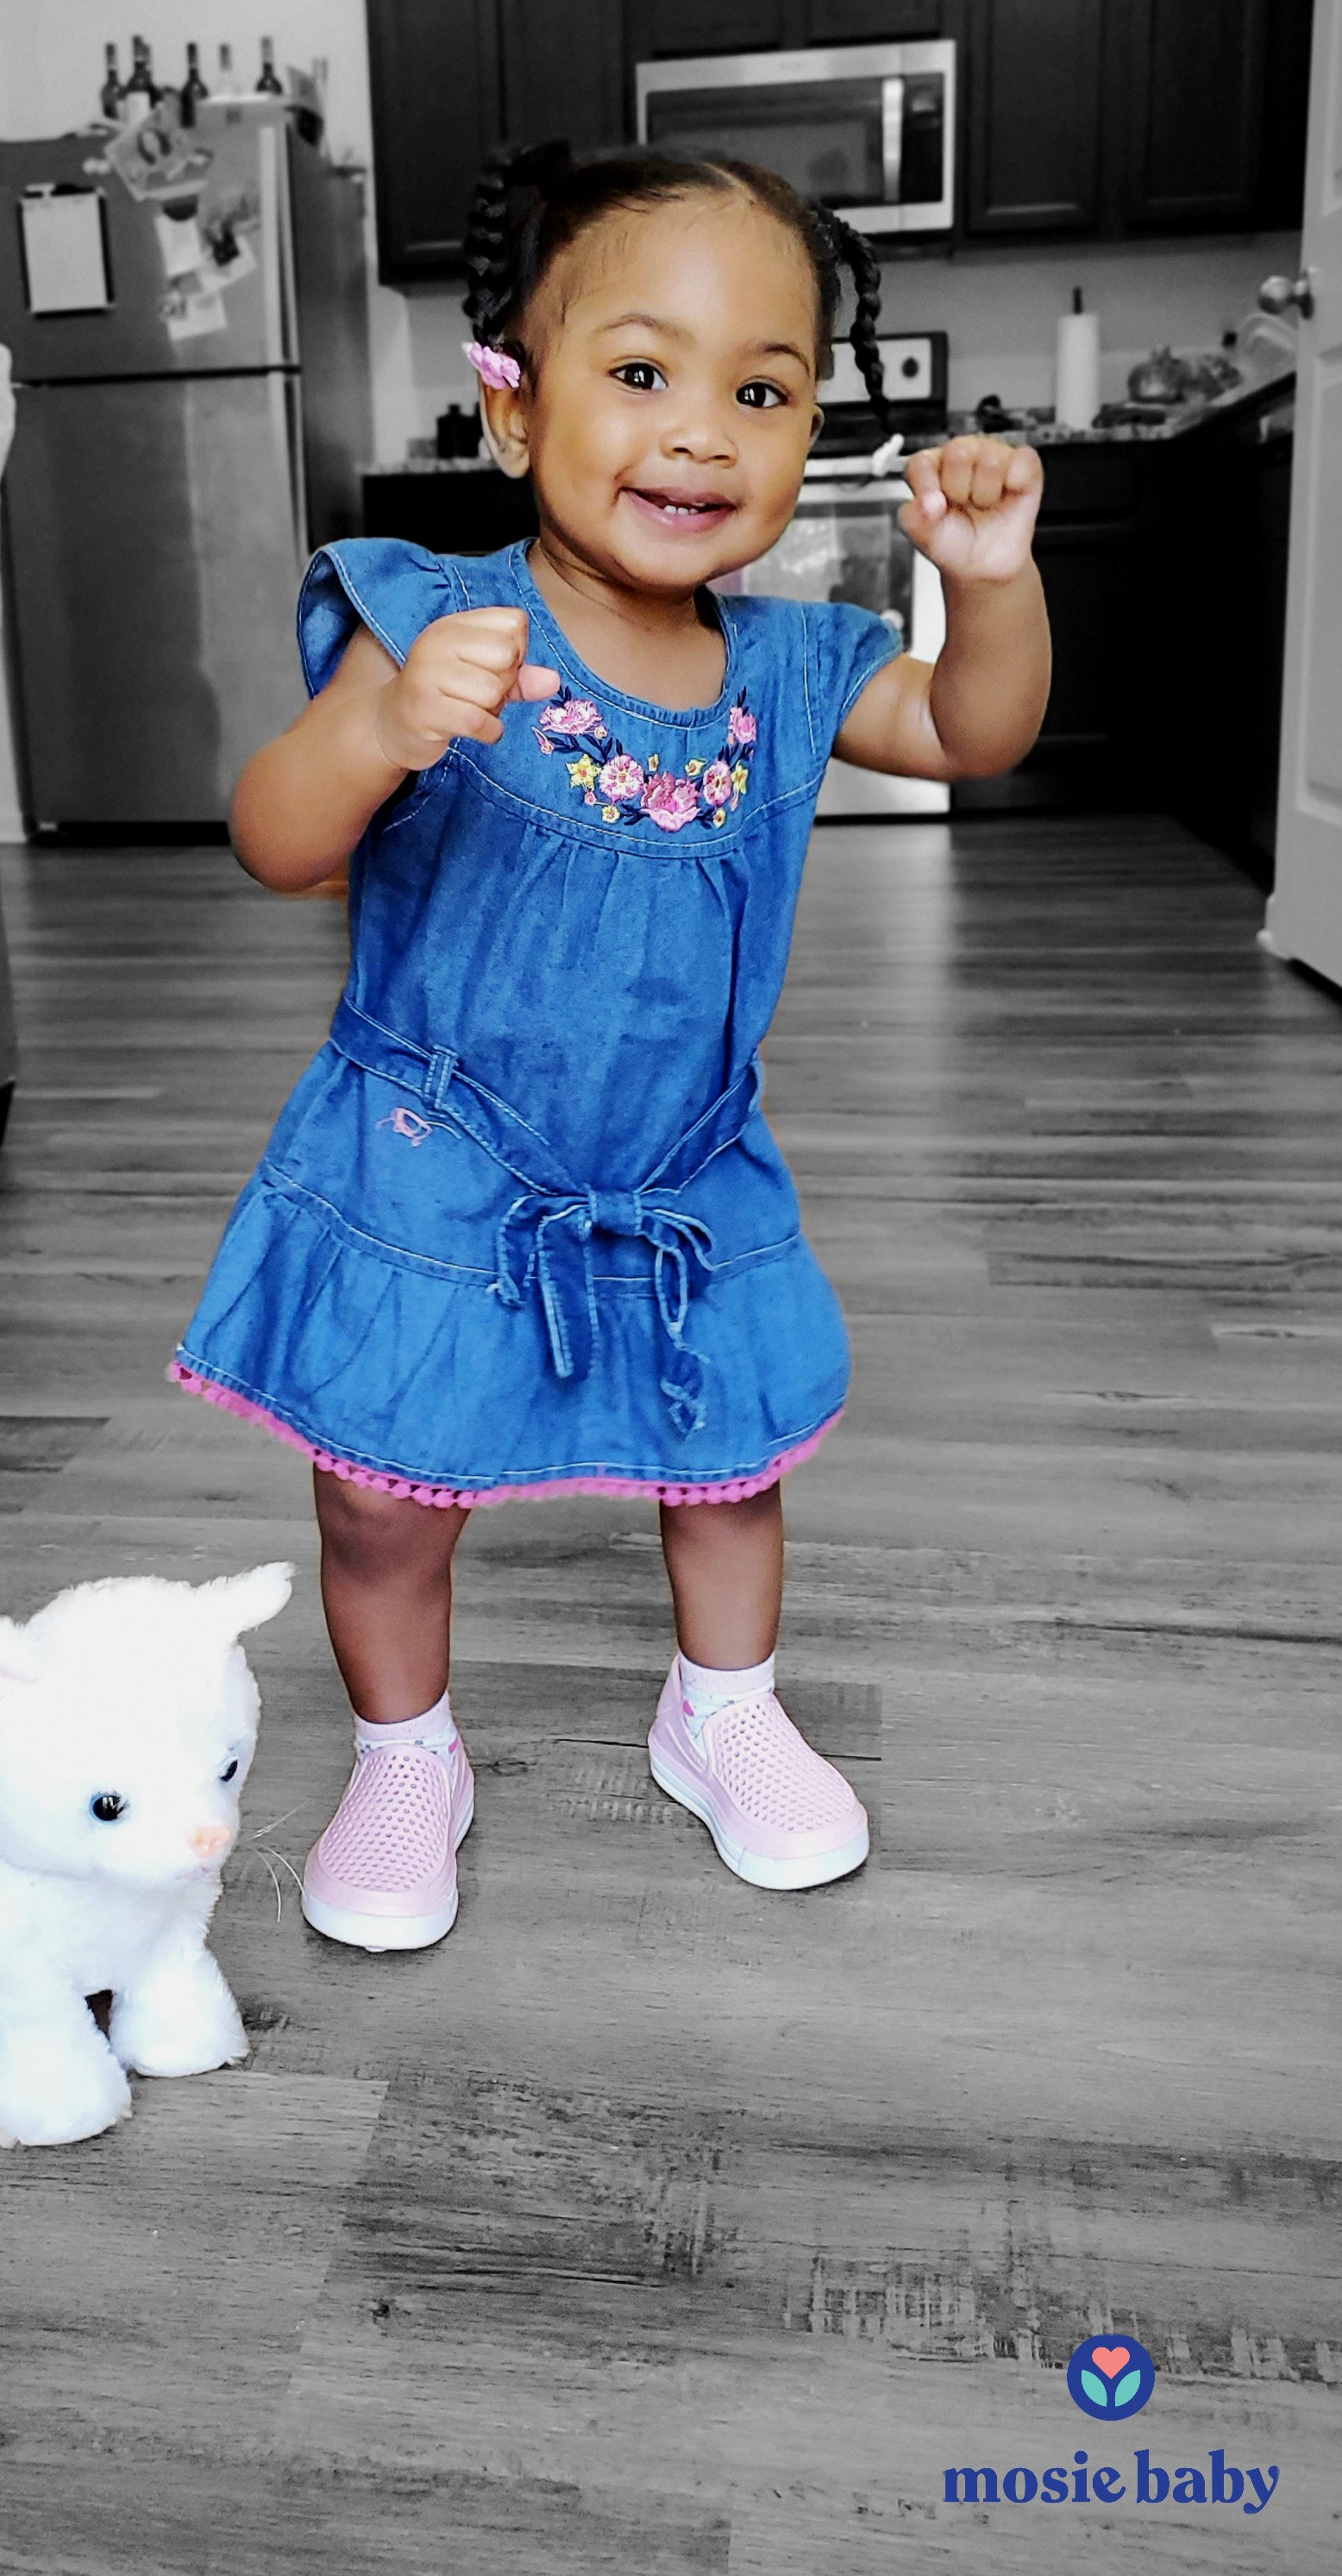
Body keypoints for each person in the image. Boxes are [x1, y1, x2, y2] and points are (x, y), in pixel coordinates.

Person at [172, 141, 1050, 1952]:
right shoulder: (426, 616)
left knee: (724, 1470)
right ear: (511, 404)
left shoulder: (797, 668)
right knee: (381, 1508)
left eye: (761, 388)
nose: (699, 431)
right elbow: (275, 839)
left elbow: (972, 734)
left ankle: (718, 1711)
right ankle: (407, 1751)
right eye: (638, 372)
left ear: (812, 431)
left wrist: (991, 582)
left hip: (675, 1169)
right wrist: (384, 731)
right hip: (432, 1168)